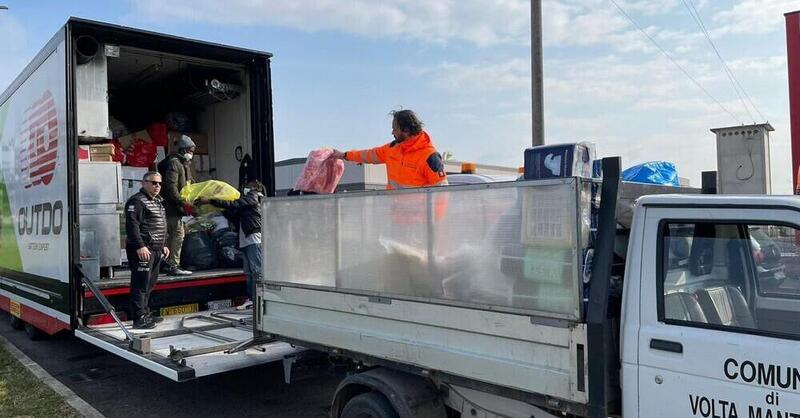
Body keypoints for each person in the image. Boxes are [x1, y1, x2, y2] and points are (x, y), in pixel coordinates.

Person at [332, 109, 448, 189]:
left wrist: (434, 223)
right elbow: (368, 155)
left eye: (395, 129)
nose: (392, 132)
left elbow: (442, 194)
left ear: (406, 130)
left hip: (420, 222)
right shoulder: (392, 149)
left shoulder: (430, 157)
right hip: (395, 220)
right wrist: (344, 155)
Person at [196, 180, 264, 308]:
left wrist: (211, 201)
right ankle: (252, 299)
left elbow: (235, 204)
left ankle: (258, 299)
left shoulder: (254, 196)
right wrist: (222, 208)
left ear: (254, 188)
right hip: (246, 240)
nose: (245, 190)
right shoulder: (249, 203)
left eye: (247, 187)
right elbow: (235, 213)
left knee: (256, 271)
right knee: (249, 272)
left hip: (254, 240)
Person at [125, 171, 170, 329]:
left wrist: (163, 244)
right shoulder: (136, 201)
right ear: (144, 183)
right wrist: (140, 246)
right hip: (143, 250)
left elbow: (159, 225)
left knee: (150, 283)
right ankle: (139, 318)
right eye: (153, 182)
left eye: (159, 183)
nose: (157, 186)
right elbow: (132, 226)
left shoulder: (157, 202)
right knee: (140, 284)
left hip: (156, 250)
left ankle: (145, 312)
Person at [157, 134, 195, 276]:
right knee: (177, 235)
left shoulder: (183, 164)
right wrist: (182, 201)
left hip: (174, 207)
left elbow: (188, 183)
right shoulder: (175, 163)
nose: (192, 154)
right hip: (172, 207)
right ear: (184, 150)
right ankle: (173, 265)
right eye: (190, 151)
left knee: (170, 236)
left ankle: (167, 264)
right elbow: (171, 187)